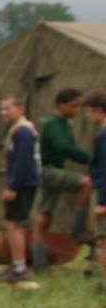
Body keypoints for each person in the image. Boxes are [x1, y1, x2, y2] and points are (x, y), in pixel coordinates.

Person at [35, 86, 92, 260]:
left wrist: (90, 160)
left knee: (44, 218)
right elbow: (63, 147)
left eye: (79, 107)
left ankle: (38, 261)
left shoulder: (65, 125)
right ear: (61, 105)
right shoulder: (52, 123)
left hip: (54, 170)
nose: (77, 111)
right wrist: (92, 159)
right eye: (73, 106)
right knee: (86, 183)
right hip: (47, 170)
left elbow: (72, 150)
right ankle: (79, 229)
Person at [0, 93, 41, 284]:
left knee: (13, 224)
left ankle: (20, 267)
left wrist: (12, 187)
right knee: (13, 224)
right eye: (2, 109)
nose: (4, 112)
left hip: (22, 184)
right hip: (22, 183)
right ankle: (17, 264)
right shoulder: (17, 129)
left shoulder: (22, 132)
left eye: (8, 108)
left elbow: (22, 162)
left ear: (21, 109)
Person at [83, 90, 106, 288]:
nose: (87, 116)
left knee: (104, 237)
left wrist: (103, 203)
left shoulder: (103, 135)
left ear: (99, 110)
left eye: (89, 111)